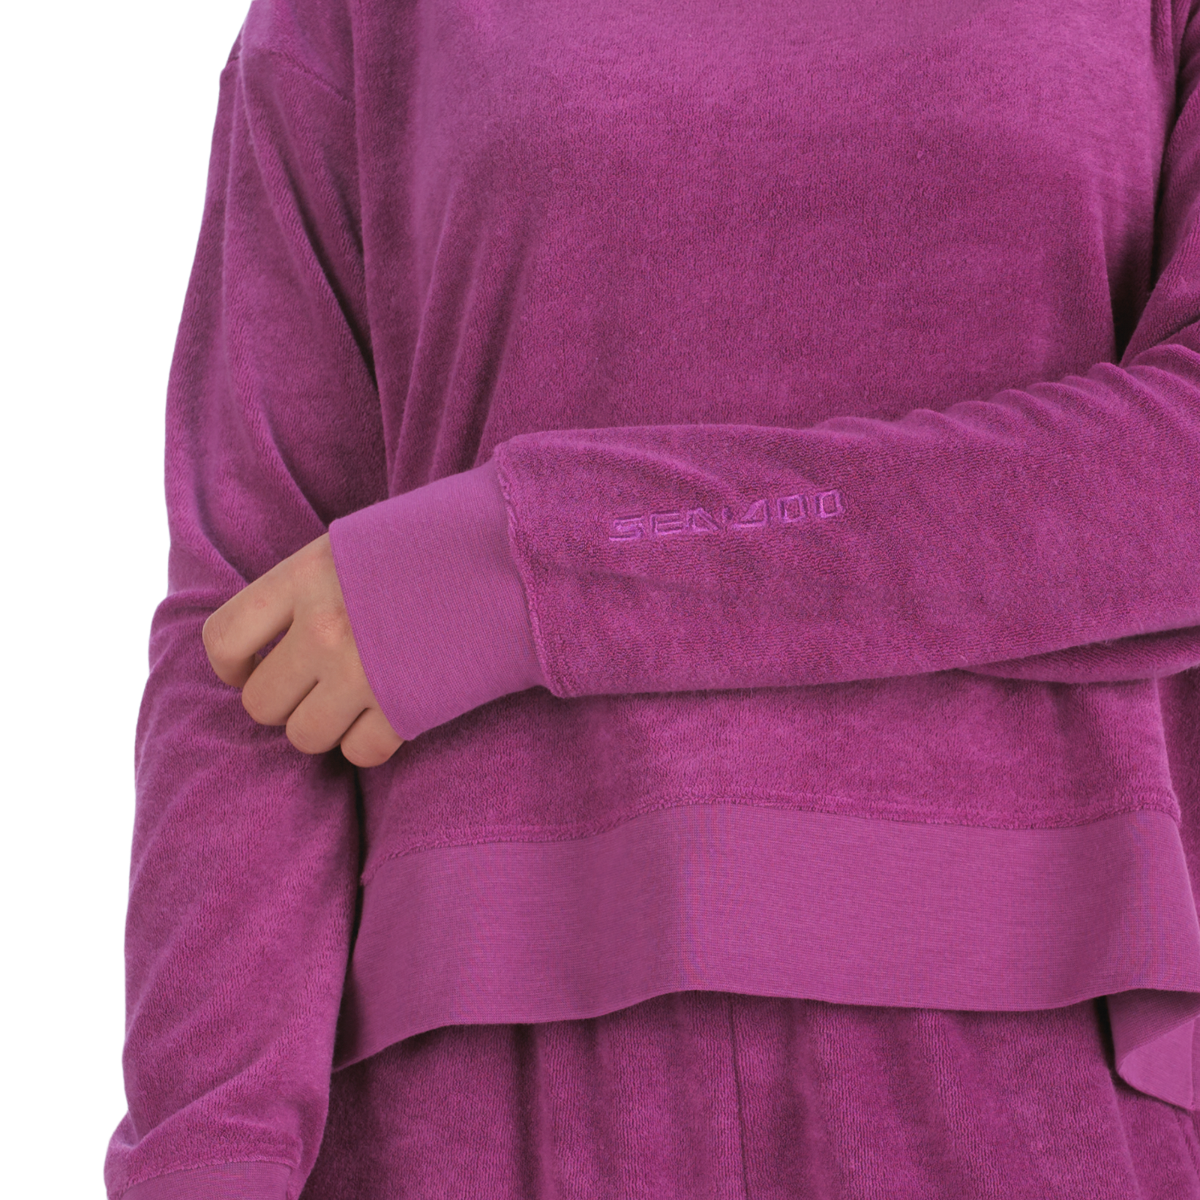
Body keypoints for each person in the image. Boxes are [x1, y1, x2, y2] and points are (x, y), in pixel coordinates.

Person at [106, 0, 1200, 1196]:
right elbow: (251, 634)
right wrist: (201, 1156)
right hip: (473, 1080)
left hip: (1046, 1050)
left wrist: (534, 561)